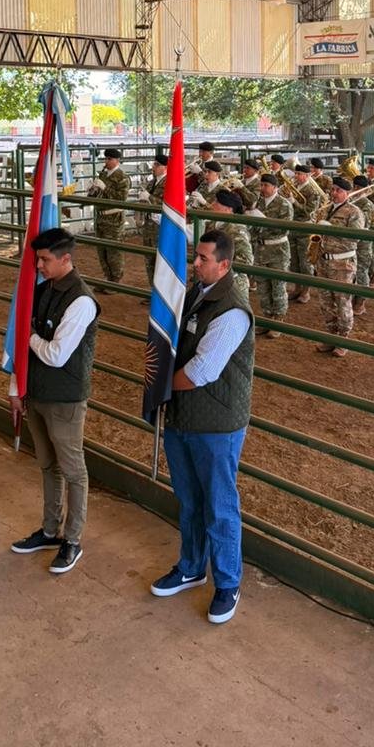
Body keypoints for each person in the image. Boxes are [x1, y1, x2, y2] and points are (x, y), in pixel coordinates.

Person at [150, 229, 255, 625]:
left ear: (224, 265)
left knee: (219, 504)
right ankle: (192, 566)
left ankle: (228, 582)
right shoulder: (198, 293)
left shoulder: (230, 310)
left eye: (203, 259)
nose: (195, 264)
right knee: (190, 497)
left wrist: (160, 385)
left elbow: (202, 371)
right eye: (196, 257)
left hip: (215, 421)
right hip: (186, 415)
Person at [10, 228, 100, 575]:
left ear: (66, 259)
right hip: (39, 393)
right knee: (48, 465)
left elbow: (57, 354)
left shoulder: (81, 300)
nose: (39, 265)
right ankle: (50, 529)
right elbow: (33, 352)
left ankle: (72, 539)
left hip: (64, 397)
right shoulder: (44, 290)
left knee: (73, 469)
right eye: (38, 259)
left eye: (45, 259)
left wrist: (28, 336)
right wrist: (17, 388)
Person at [312, 177, 365, 357]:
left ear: (347, 193)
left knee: (343, 301)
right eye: (333, 190)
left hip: (342, 263)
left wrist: (331, 229)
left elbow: (355, 238)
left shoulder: (354, 212)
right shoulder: (326, 209)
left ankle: (343, 338)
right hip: (324, 260)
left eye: (338, 190)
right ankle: (330, 335)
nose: (334, 193)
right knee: (325, 301)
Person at [251, 172, 292, 338]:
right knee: (263, 287)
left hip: (278, 250)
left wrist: (264, 221)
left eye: (266, 185)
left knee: (278, 286)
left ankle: (278, 321)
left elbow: (284, 228)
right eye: (261, 185)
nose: (263, 188)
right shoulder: (258, 202)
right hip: (261, 250)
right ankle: (267, 318)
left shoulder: (284, 204)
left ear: (275, 188)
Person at [89, 148, 130, 288]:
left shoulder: (122, 177)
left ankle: (115, 281)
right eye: (105, 159)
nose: (106, 161)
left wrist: (104, 187)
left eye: (109, 159)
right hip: (101, 218)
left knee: (114, 252)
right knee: (102, 251)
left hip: (113, 219)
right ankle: (108, 279)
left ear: (117, 160)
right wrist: (93, 190)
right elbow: (95, 197)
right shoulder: (103, 175)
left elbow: (121, 198)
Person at [208, 189, 254, 302]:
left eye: (217, 203)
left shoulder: (236, 230)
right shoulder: (213, 224)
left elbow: (246, 259)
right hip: (215, 279)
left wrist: (220, 269)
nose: (212, 204)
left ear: (228, 209)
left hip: (233, 283)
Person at [287, 164, 319, 304]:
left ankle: (306, 291)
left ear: (307, 176)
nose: (296, 176)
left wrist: (293, 202)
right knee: (294, 261)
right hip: (293, 227)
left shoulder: (313, 191)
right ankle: (297, 287)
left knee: (305, 262)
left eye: (299, 174)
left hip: (305, 229)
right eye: (296, 173)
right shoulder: (294, 186)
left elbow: (309, 212)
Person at [140, 153, 168, 291]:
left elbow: (168, 204)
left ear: (166, 167)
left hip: (161, 225)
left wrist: (150, 197)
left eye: (157, 165)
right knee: (149, 259)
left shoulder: (170, 182)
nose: (154, 167)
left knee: (160, 260)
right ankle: (153, 289)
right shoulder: (152, 182)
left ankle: (161, 291)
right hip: (149, 224)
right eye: (154, 164)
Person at [351, 174, 374, 315]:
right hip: (351, 241)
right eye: (354, 187)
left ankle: (361, 301)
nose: (356, 190)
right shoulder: (351, 201)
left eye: (359, 188)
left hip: (363, 241)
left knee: (361, 271)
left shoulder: (367, 204)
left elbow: (363, 222)